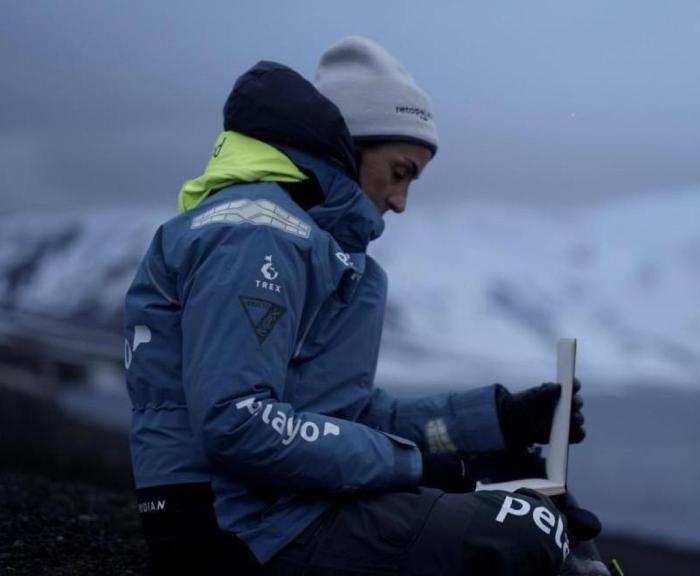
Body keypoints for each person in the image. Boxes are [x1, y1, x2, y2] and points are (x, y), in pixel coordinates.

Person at [123, 36, 609, 575]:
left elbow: (349, 415)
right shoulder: (255, 236)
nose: (400, 202)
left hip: (284, 504)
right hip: (234, 524)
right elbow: (237, 421)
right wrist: (416, 466)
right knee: (523, 531)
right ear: (345, 148)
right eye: (400, 172)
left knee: (523, 474)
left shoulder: (310, 245)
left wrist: (501, 421)